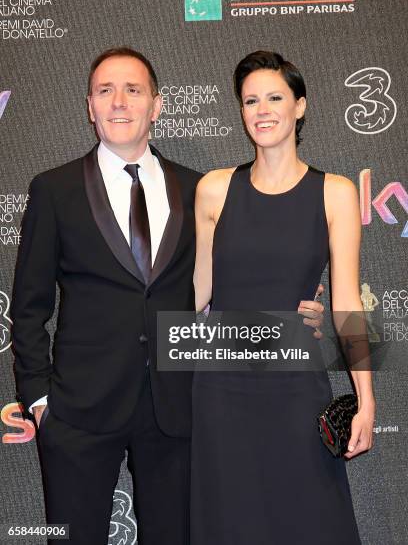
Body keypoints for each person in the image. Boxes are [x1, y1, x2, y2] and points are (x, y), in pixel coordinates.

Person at [11, 47, 324, 545]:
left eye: (133, 90)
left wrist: (301, 309)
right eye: (104, 91)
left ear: (157, 106)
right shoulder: (53, 189)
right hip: (78, 411)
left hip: (178, 408)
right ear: (89, 106)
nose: (119, 102)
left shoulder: (199, 189)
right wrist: (41, 400)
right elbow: (28, 306)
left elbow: (229, 286)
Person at [191, 51, 375, 544]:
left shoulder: (334, 192)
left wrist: (366, 399)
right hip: (221, 391)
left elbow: (347, 304)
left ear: (300, 107)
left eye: (274, 97)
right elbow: (196, 291)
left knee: (308, 520)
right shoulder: (214, 189)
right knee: (228, 522)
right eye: (251, 100)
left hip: (295, 385)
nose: (262, 109)